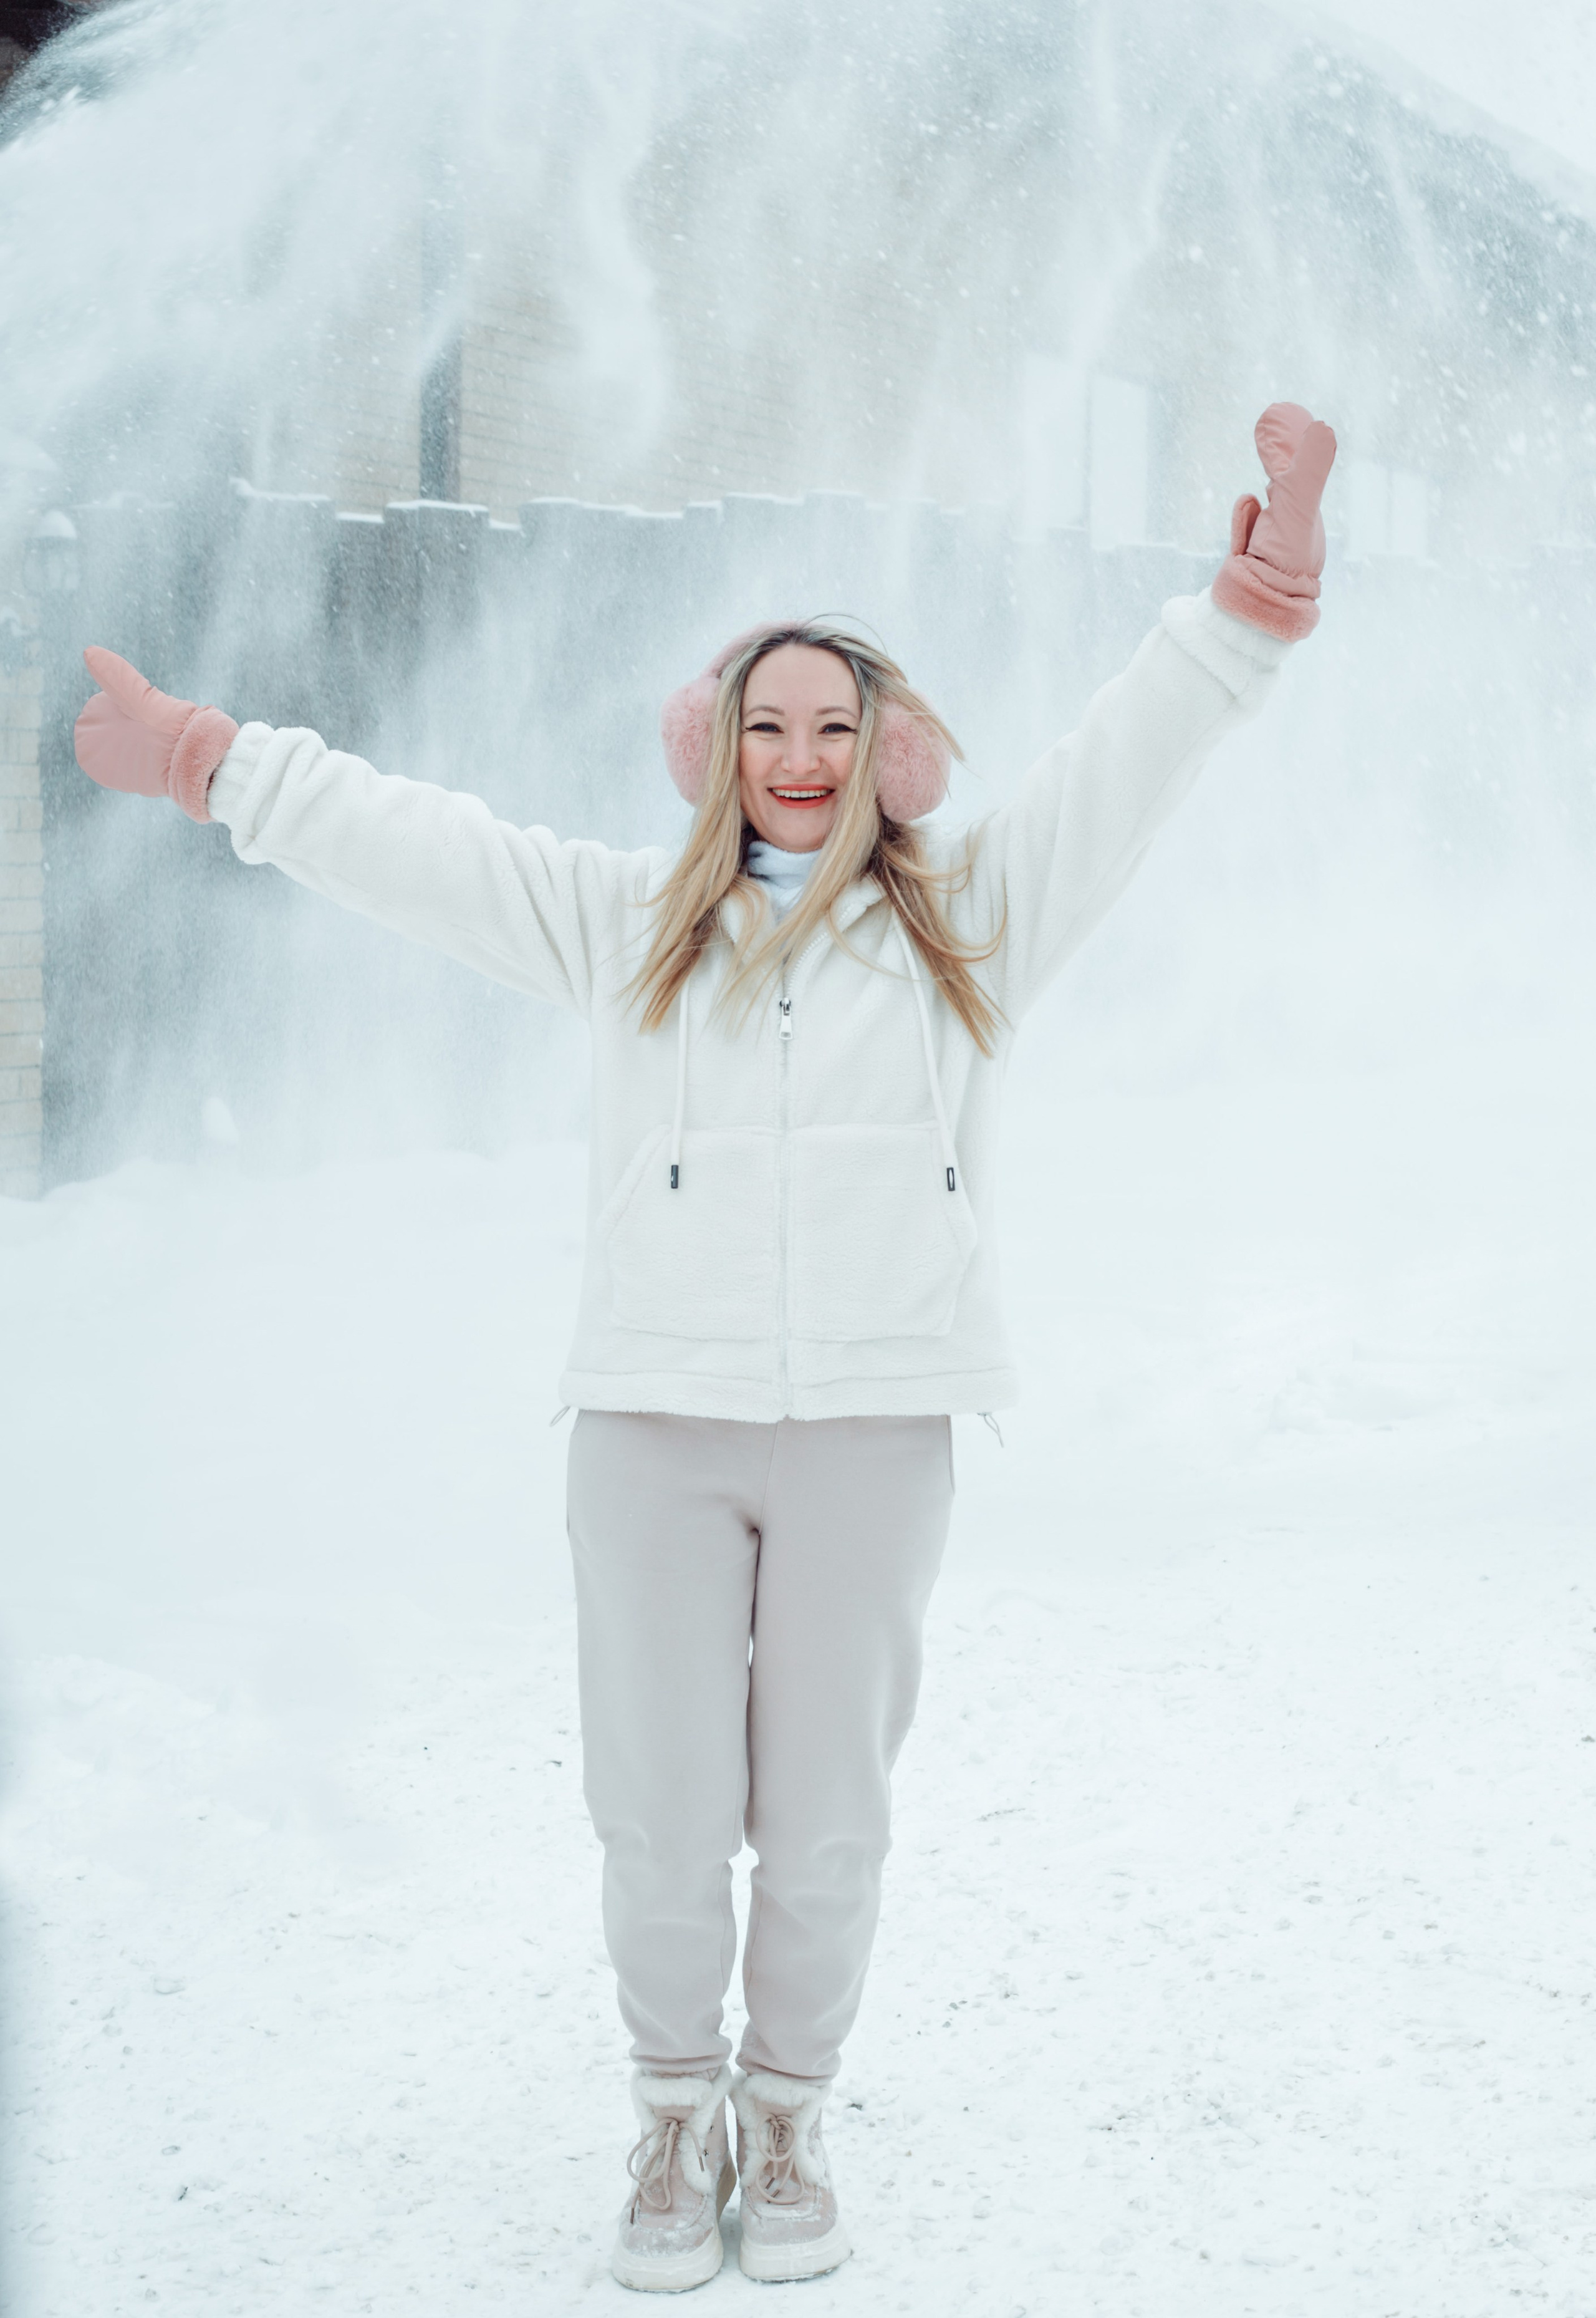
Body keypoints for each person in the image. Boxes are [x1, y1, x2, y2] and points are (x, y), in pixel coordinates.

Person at [74, 402, 1336, 2292]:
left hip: (873, 1429)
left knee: (826, 1823)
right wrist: (207, 759)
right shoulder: (621, 929)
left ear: (890, 755)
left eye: (837, 726)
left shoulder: (969, 923)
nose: (803, 758)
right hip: (652, 1428)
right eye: (769, 723)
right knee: (659, 1812)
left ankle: (789, 2109)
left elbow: (1130, 758)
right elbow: (412, 844)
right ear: (719, 750)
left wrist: (1263, 578)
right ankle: (673, 2118)